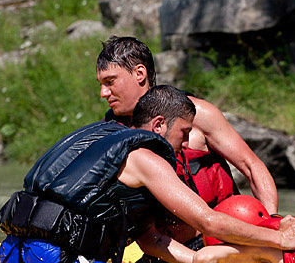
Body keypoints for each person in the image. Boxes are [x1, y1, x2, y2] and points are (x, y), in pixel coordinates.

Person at [0, 87, 295, 263]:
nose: (188, 143)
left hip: (12, 257)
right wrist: (278, 238)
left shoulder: (99, 136)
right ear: (159, 125)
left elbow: (150, 238)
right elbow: (208, 220)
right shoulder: (147, 158)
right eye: (184, 132)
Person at [96, 35, 278, 213]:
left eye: (110, 82)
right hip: (165, 241)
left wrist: (272, 220)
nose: (103, 93)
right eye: (101, 84)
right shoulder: (109, 132)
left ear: (139, 74)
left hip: (224, 229)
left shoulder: (199, 114)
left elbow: (251, 166)